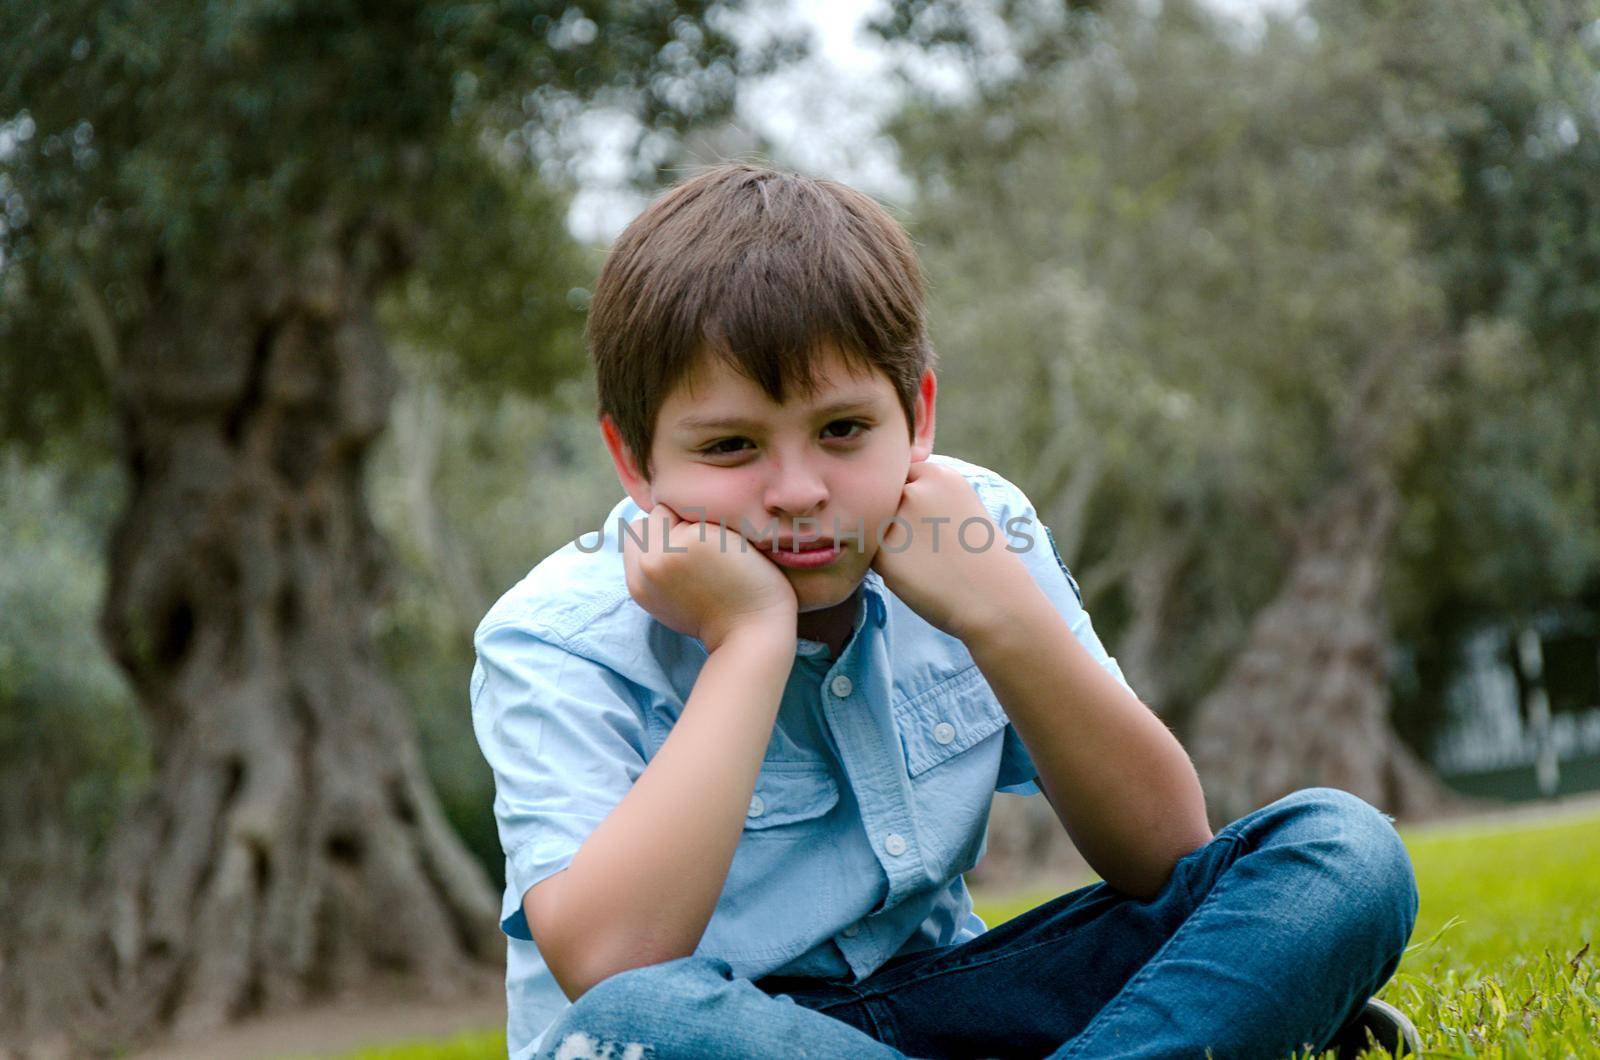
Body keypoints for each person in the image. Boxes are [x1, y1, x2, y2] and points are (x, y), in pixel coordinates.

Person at [470, 162, 1421, 1059]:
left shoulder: (980, 529)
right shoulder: (555, 638)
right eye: (730, 447)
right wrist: (749, 641)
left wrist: (1001, 616)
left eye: (843, 429)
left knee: (1341, 852)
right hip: (725, 1032)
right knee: (641, 1025)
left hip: (957, 996)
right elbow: (613, 973)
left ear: (917, 415)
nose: (798, 489)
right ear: (635, 462)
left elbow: (1162, 855)